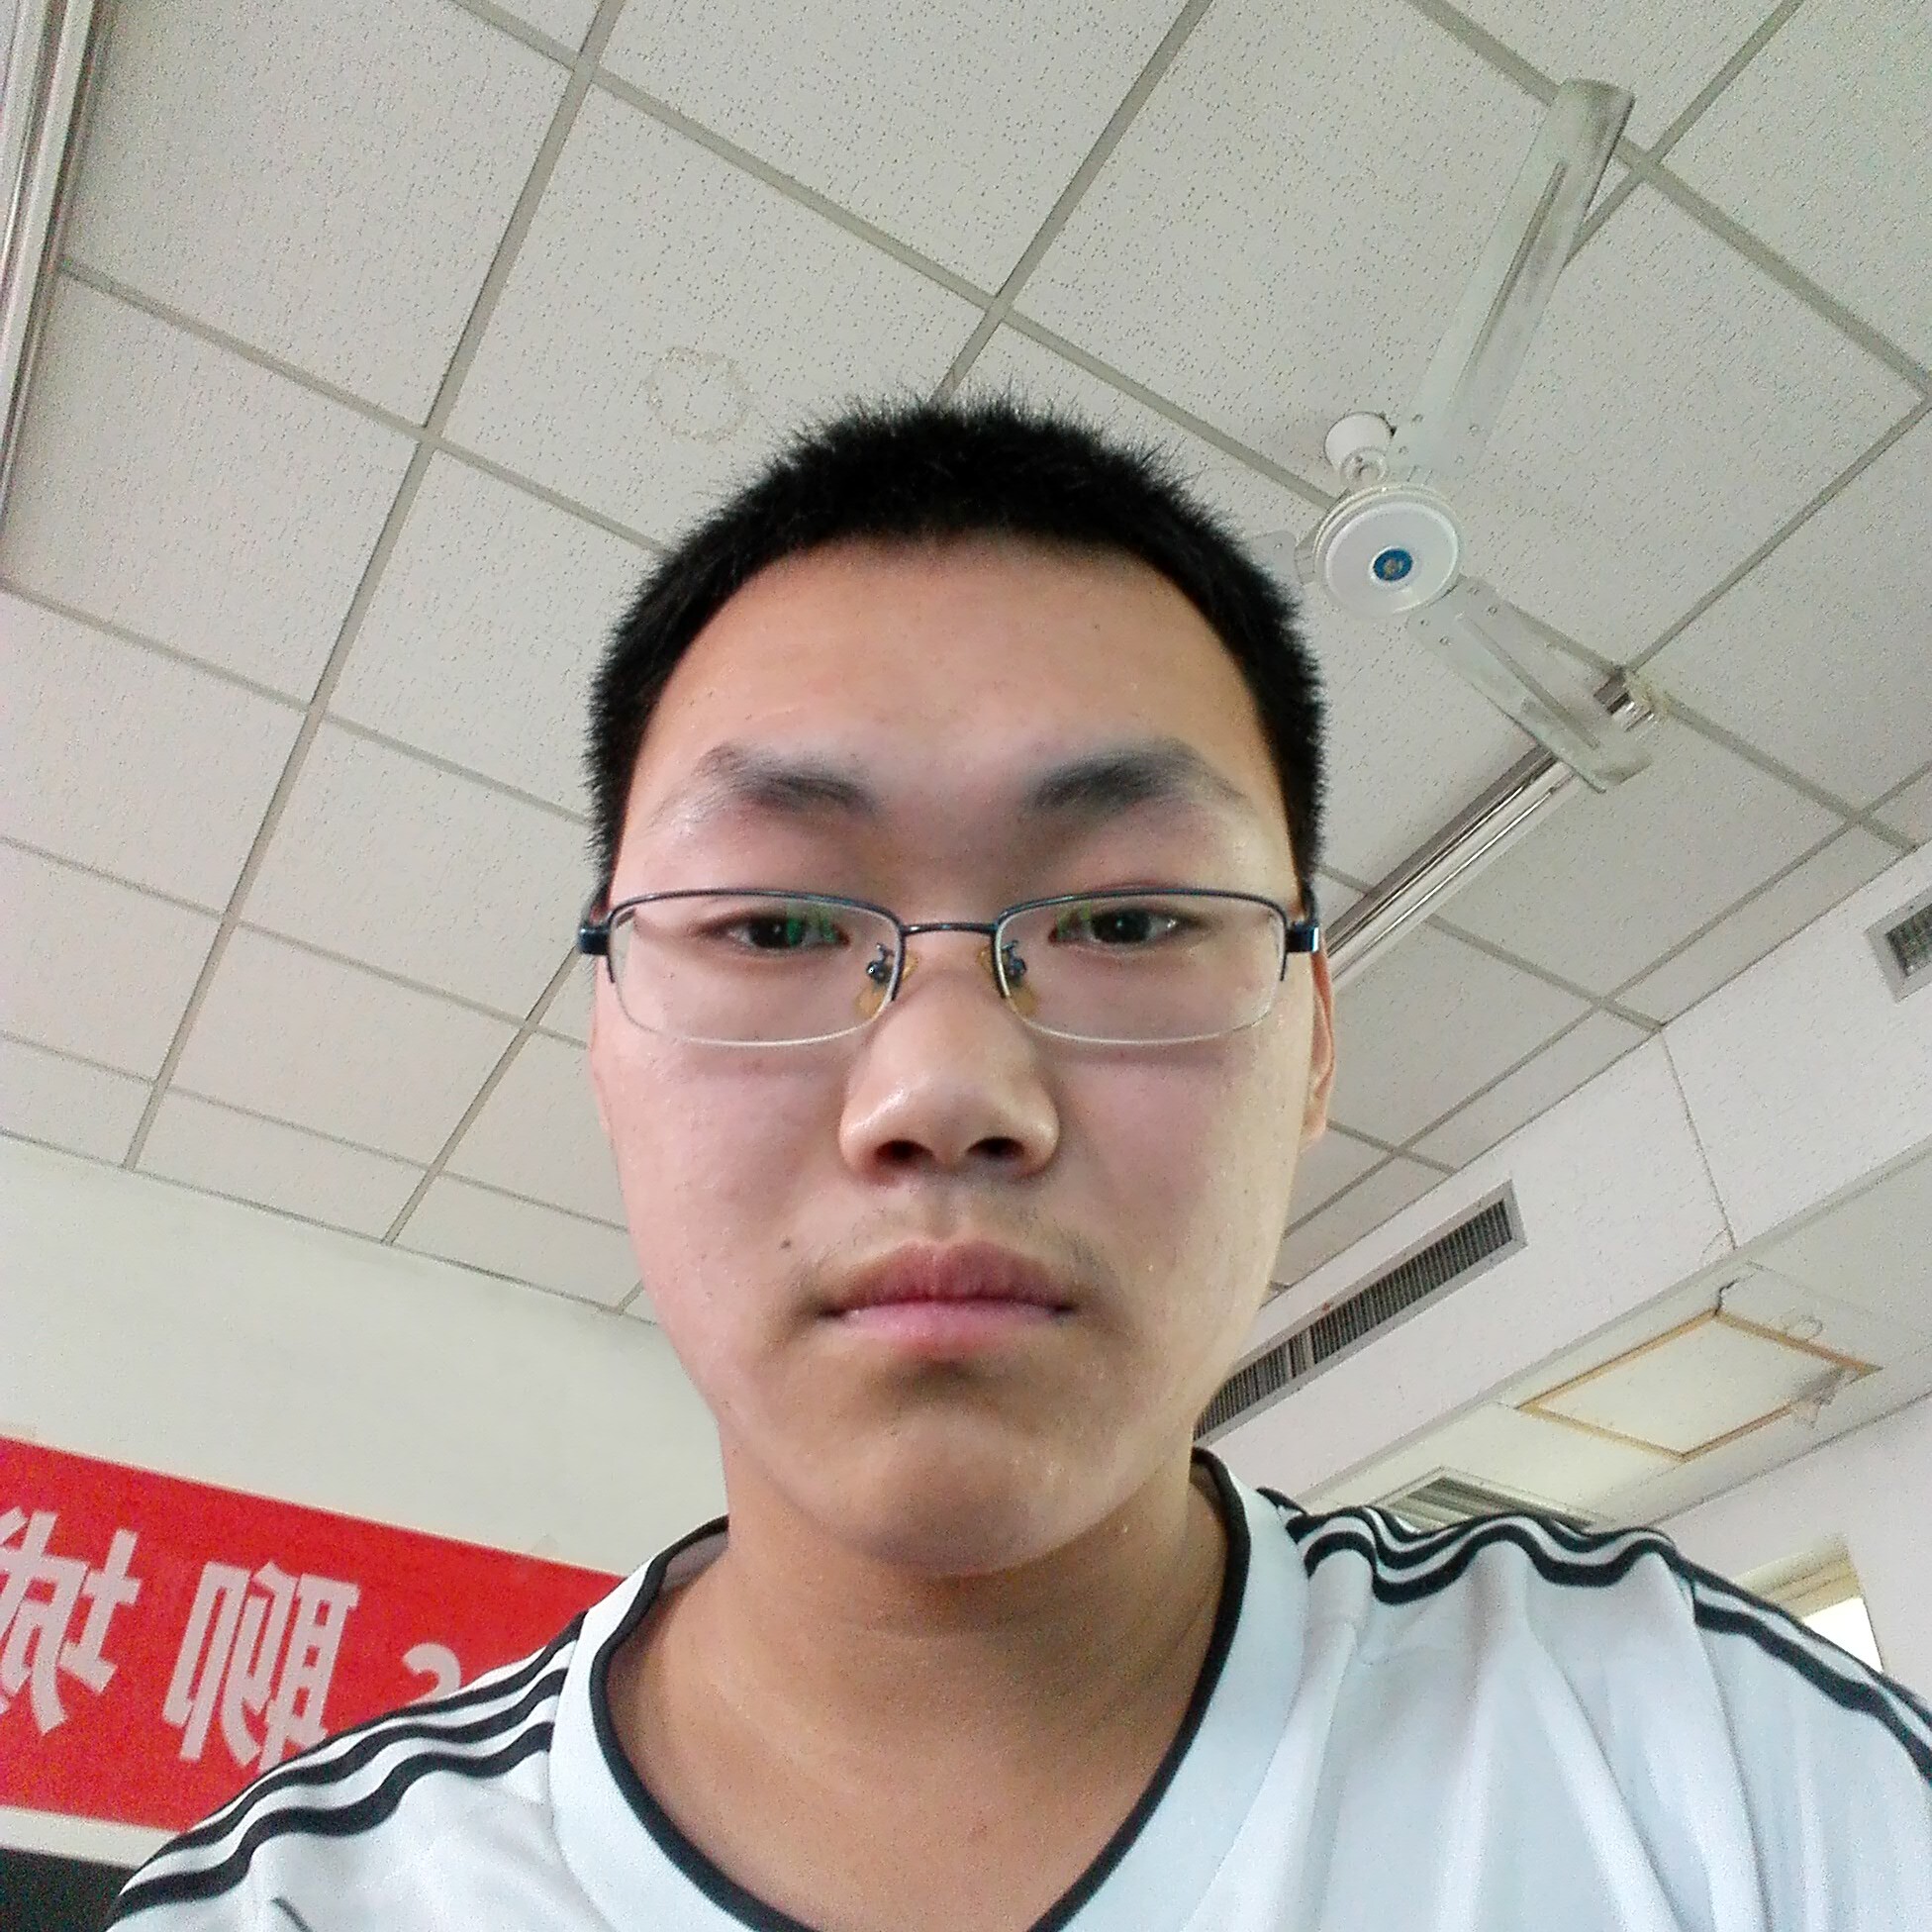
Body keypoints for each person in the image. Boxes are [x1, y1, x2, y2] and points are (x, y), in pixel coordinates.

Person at [112, 400, 1931, 1929]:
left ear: (1312, 1045)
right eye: (771, 925)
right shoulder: (295, 1909)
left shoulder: (1718, 1773)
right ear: (608, 1040)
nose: (943, 1091)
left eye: (1130, 918)